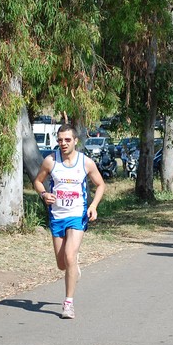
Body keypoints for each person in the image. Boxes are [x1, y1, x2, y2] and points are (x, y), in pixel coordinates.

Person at [34, 124, 106, 319]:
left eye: (67, 140)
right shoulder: (50, 161)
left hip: (77, 214)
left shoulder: (86, 162)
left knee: (69, 255)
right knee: (62, 264)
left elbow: (100, 185)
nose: (63, 143)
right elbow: (38, 181)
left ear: (75, 141)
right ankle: (73, 266)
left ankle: (68, 304)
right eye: (60, 140)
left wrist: (93, 206)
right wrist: (43, 194)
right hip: (57, 216)